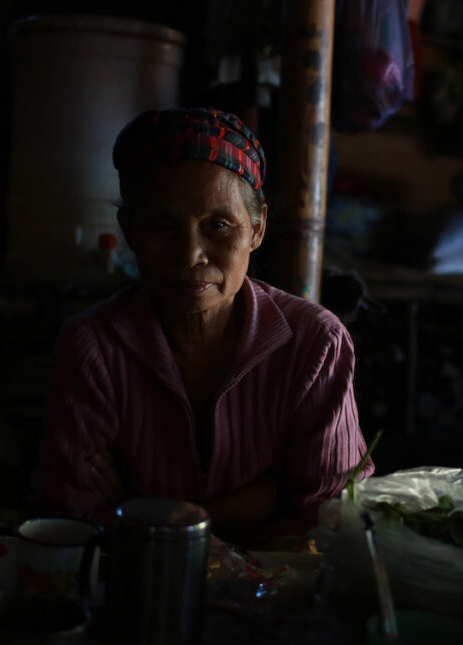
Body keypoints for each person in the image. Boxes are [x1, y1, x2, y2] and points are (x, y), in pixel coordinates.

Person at [31, 108, 372, 542]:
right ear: (130, 231)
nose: (190, 254)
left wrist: (141, 514)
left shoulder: (315, 343)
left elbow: (329, 519)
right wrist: (254, 503)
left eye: (218, 226)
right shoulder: (93, 346)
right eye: (161, 226)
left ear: (257, 228)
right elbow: (70, 521)